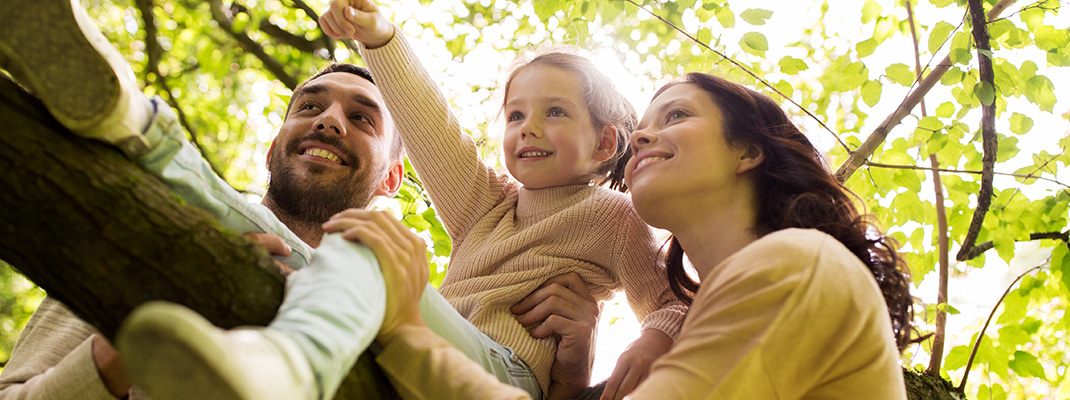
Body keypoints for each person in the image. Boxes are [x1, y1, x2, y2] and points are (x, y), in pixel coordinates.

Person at [0, 0, 600, 399]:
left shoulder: (399, 324)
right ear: (275, 142)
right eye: (309, 107)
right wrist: (116, 359)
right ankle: (132, 119)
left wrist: (571, 379)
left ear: (392, 181)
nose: (329, 121)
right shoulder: (146, 239)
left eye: (364, 118)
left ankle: (139, 122)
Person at [361, 73, 917, 399]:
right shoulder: (730, 311)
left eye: (676, 115)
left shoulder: (798, 265)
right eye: (646, 122)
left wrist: (401, 321)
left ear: (748, 150)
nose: (645, 133)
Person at [318, 2, 689, 399]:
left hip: (503, 368)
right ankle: (288, 355)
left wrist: (651, 341)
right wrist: (380, 38)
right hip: (423, 345)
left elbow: (675, 302)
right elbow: (429, 124)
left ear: (604, 142)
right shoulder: (486, 202)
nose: (529, 128)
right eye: (515, 116)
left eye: (556, 112)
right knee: (329, 258)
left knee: (373, 260)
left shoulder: (614, 215)